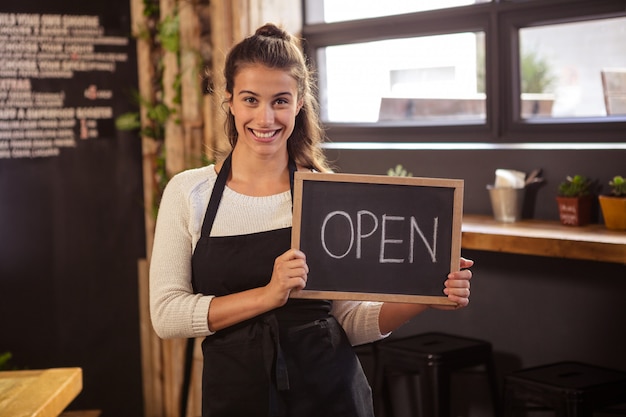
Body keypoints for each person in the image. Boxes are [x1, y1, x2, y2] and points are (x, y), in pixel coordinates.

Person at [149, 23, 473, 417]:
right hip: (238, 397)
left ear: (299, 103)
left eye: (280, 101)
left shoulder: (325, 193)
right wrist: (268, 296)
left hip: (330, 396)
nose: (265, 118)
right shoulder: (189, 193)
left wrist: (426, 295)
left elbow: (348, 321)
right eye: (251, 99)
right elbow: (166, 315)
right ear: (229, 101)